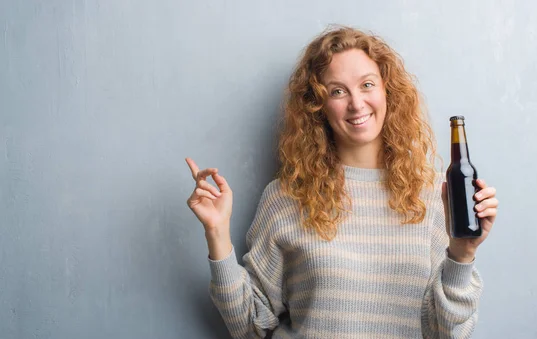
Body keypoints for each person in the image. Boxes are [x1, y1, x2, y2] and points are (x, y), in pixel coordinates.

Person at [185, 25, 499, 339]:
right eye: (337, 91)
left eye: (367, 84)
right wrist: (217, 232)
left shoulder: (432, 197)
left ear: (386, 89)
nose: (356, 103)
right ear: (317, 105)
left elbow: (450, 332)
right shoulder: (287, 197)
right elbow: (250, 325)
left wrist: (462, 252)